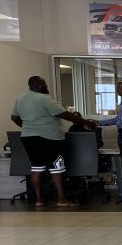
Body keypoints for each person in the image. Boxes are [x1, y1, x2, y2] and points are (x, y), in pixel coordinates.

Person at [11, 75, 97, 207]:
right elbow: (66, 115)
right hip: (51, 138)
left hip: (28, 138)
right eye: (45, 84)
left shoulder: (20, 99)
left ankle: (39, 200)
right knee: (57, 168)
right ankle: (61, 199)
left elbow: (14, 117)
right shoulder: (45, 99)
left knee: (36, 168)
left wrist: (29, 127)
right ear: (40, 86)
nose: (46, 87)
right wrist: (86, 123)